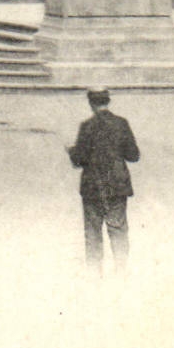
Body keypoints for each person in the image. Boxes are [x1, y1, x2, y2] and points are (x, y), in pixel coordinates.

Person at [67, 88, 141, 272]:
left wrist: (72, 152)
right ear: (108, 101)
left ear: (91, 103)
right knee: (118, 229)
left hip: (93, 186)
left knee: (93, 232)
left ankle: (94, 276)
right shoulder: (121, 124)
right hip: (117, 185)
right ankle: (121, 271)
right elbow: (133, 155)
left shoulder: (87, 126)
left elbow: (79, 159)